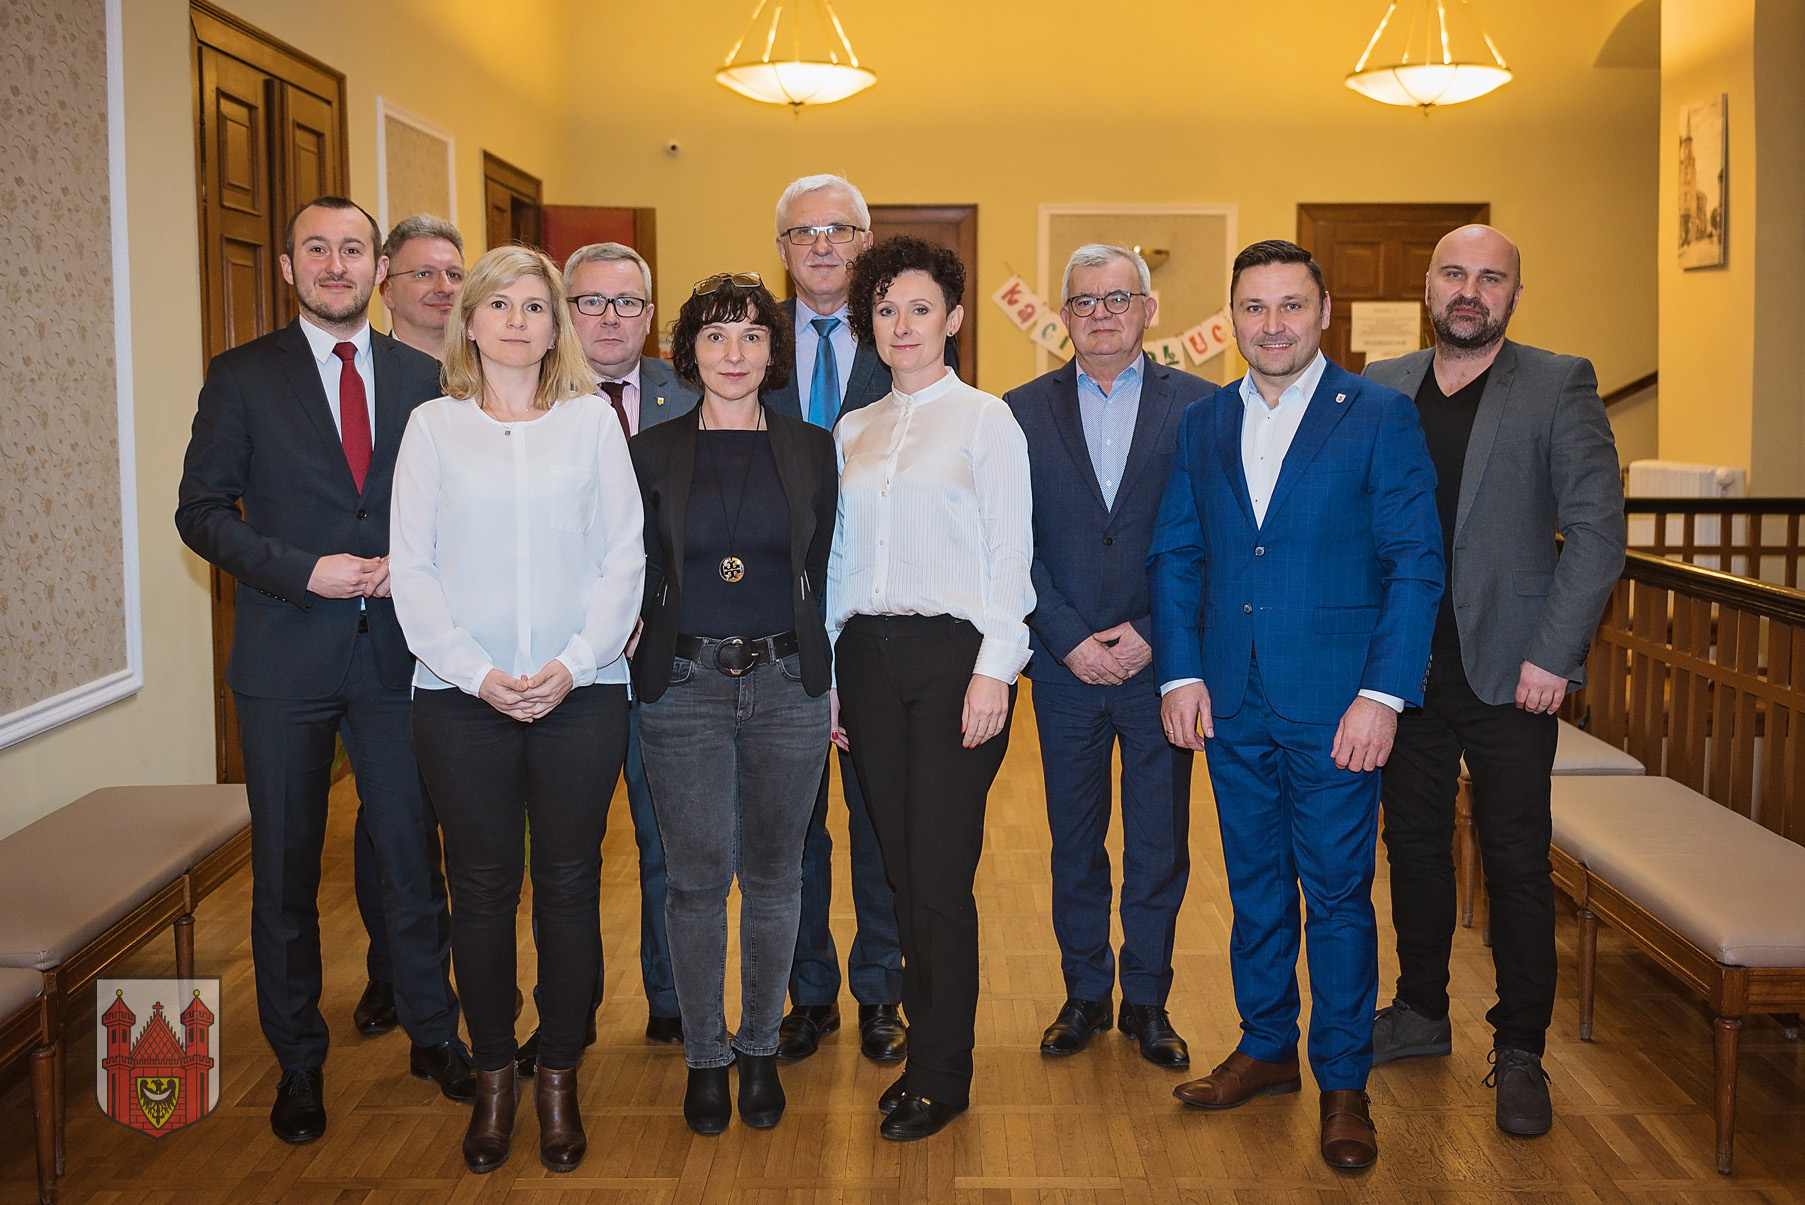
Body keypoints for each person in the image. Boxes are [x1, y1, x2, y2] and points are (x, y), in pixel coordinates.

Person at [176, 196, 473, 1144]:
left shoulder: (426, 377)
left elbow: (459, 506)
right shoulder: (241, 376)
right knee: (285, 872)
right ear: (287, 265)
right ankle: (299, 1060)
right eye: (317, 249)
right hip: (285, 658)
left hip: (397, 656)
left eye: (352, 249)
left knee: (411, 858)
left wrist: (414, 566)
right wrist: (302, 569)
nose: (335, 265)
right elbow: (200, 511)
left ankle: (434, 1033)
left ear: (377, 270)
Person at [1149, 239, 1442, 1170]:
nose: (1270, 324)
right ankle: (1268, 1044)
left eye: (1289, 305)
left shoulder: (1379, 415)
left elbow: (1414, 565)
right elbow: (1178, 553)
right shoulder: (1203, 421)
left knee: (1338, 895)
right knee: (1256, 888)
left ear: (1322, 313)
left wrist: (1382, 694)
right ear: (1231, 318)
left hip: (1338, 706)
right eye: (1253, 307)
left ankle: (1344, 1082)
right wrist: (1180, 673)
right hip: (1232, 699)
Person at [1364, 225, 1626, 1137]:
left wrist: (1554, 654)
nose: (1468, 291)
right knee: (1413, 847)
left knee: (1515, 859)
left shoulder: (1558, 383)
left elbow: (1596, 532)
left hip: (1514, 672)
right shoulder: (1381, 384)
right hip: (1405, 668)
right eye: (1453, 273)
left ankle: (1518, 1048)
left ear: (1514, 294)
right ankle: (1419, 1010)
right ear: (1427, 286)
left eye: (1489, 277)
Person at [389, 244, 644, 1175]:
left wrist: (574, 664)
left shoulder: (590, 424)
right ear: (470, 321)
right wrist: (474, 672)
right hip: (461, 699)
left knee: (571, 886)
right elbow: (412, 566)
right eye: (499, 304)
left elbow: (624, 556)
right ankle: (495, 1073)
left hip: (583, 692)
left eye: (535, 307)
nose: (517, 321)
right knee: (484, 890)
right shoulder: (431, 427)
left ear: (554, 326)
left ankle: (559, 1074)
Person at [829, 237, 1034, 1141]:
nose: (901, 325)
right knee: (897, 870)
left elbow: (1011, 552)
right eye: (884, 310)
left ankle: (943, 1073)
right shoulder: (854, 429)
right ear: (867, 324)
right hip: (865, 660)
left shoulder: (987, 420)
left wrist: (996, 668)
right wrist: (831, 672)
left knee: (939, 876)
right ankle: (922, 1051)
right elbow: (841, 558)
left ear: (952, 318)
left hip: (956, 661)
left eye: (919, 308)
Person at [629, 273, 837, 1135]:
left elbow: (822, 569)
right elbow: (633, 564)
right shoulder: (650, 451)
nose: (734, 353)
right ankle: (706, 1057)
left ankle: (758, 1047)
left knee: (777, 876)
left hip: (788, 685)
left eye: (751, 335)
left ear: (772, 352)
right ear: (689, 352)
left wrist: (828, 677)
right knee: (695, 881)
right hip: (684, 688)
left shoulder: (812, 448)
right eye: (714, 335)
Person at [1004, 245, 1208, 1071]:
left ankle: (1147, 1000)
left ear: (1147, 309)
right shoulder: (1018, 411)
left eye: (1116, 298)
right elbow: (1007, 543)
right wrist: (1063, 635)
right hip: (1064, 667)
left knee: (1157, 844)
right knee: (1074, 842)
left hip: (1161, 667)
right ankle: (1083, 992)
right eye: (1084, 301)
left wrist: (1156, 630)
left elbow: (1214, 534)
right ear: (1063, 316)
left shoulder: (1201, 406)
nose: (1100, 314)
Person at [503, 241, 699, 1076]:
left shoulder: (695, 394)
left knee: (670, 844)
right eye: (589, 301)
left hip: (665, 664)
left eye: (628, 303)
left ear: (651, 315)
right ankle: (566, 1015)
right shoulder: (521, 402)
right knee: (563, 857)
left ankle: (674, 1003)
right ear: (562, 311)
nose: (609, 319)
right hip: (564, 668)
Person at [763, 174, 907, 1064]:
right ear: (780, 248)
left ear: (864, 241)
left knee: (879, 816)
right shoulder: (746, 338)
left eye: (839, 229)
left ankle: (882, 989)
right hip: (770, 622)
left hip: (873, 619)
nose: (822, 245)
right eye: (803, 231)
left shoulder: (901, 335)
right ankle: (806, 992)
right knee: (789, 827)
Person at [350, 211, 466, 1039]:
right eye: (423, 272)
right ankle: (392, 968)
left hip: (472, 625)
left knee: (469, 816)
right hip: (375, 627)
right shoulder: (359, 376)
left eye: (454, 273)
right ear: (385, 283)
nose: (442, 288)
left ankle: (460, 972)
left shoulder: (485, 375)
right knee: (390, 814)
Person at [378, 214, 466, 355]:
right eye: (424, 274)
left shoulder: (490, 365)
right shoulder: (367, 367)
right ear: (388, 293)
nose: (446, 288)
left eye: (454, 275)